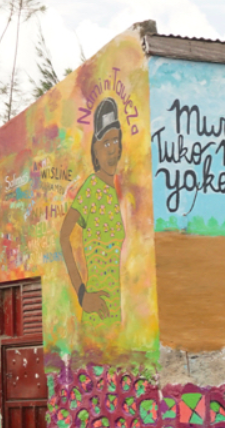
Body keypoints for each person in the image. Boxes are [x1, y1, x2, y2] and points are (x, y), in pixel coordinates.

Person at [60, 97, 125, 325]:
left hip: (117, 314)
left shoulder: (119, 190)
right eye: (104, 143)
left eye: (114, 141)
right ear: (95, 151)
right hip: (97, 314)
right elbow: (64, 236)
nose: (111, 148)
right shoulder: (90, 189)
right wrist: (81, 294)